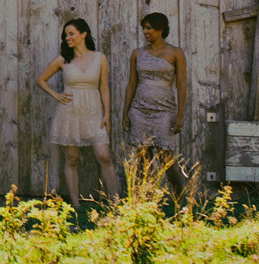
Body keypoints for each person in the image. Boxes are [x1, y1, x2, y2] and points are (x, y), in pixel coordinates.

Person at [35, 19, 119, 208]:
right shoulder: (62, 60)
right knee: (72, 158)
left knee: (104, 154)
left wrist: (107, 114)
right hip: (70, 112)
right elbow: (41, 80)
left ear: (83, 34)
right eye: (65, 35)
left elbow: (104, 87)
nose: (67, 38)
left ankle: (116, 202)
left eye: (71, 33)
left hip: (94, 111)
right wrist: (56, 95)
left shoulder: (99, 58)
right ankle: (75, 205)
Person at [122, 11, 188, 195]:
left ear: (161, 29)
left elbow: (182, 85)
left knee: (165, 156)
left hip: (164, 111)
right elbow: (132, 84)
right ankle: (145, 199)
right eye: (144, 28)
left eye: (149, 28)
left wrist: (180, 115)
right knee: (143, 157)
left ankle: (180, 197)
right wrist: (125, 113)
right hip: (140, 110)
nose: (145, 31)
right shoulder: (137, 53)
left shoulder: (175, 53)